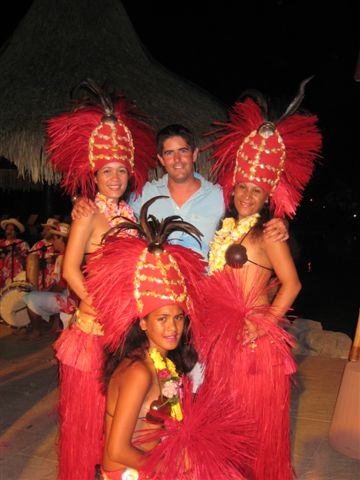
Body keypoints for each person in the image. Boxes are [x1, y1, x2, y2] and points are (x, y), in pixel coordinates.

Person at [194, 79, 322, 479]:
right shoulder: (228, 227)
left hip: (254, 343)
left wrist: (263, 324)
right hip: (223, 341)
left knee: (254, 420)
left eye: (257, 190)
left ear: (269, 196)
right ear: (234, 189)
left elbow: (292, 284)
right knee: (225, 415)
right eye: (242, 188)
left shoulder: (270, 233)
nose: (248, 195)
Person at [87, 198, 256, 480]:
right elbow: (116, 450)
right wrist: (174, 469)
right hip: (127, 472)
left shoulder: (164, 362)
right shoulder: (138, 372)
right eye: (162, 319)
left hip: (150, 461)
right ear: (143, 322)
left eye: (178, 317)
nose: (172, 328)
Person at [46, 79, 156, 480]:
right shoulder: (88, 212)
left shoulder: (130, 215)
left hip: (122, 331)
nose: (114, 177)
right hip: (94, 330)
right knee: (88, 418)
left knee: (114, 416)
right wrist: (92, 302)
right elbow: (69, 268)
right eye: (107, 170)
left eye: (121, 171)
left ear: (130, 174)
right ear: (95, 172)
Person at [23, 222, 71, 339]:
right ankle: (53, 325)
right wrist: (46, 290)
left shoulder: (64, 257)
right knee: (41, 294)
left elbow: (61, 286)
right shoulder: (68, 255)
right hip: (69, 296)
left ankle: (36, 331)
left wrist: (45, 292)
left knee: (30, 297)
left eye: (55, 238)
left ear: (61, 239)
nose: (53, 241)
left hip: (70, 300)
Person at [28, 217, 59, 290]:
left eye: (47, 229)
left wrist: (56, 259)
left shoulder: (59, 244)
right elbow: (29, 260)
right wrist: (38, 262)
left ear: (54, 231)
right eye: (44, 229)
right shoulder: (38, 245)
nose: (44, 231)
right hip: (39, 282)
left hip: (55, 284)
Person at [0, 218, 29, 288]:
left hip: (16, 276)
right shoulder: (1, 242)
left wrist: (17, 253)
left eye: (12, 230)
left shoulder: (21, 243)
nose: (9, 232)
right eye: (7, 229)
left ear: (16, 232)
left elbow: (27, 262)